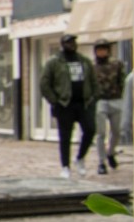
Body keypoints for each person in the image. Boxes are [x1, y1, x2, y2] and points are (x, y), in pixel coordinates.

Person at [41, 33, 98, 178]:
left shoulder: (84, 61)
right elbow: (44, 83)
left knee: (90, 130)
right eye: (68, 42)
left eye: (73, 42)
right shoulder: (54, 62)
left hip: (83, 103)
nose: (71, 45)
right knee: (65, 136)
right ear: (62, 45)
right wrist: (54, 101)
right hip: (64, 104)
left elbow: (93, 80)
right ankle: (65, 166)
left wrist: (94, 98)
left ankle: (80, 158)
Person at [91, 39, 128, 174]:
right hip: (99, 101)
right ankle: (101, 162)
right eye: (99, 49)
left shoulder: (116, 64)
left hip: (115, 99)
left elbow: (122, 80)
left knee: (117, 131)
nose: (101, 52)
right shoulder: (92, 66)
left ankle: (111, 152)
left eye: (104, 49)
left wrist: (121, 95)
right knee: (101, 133)